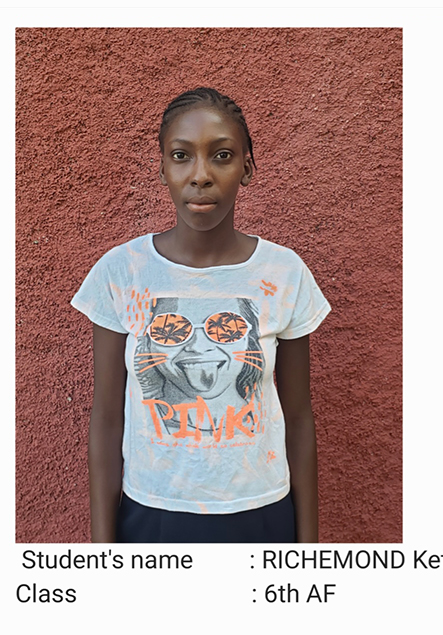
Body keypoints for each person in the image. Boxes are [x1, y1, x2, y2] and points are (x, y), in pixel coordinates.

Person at [71, 87, 331, 544]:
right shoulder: (123, 271)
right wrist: (101, 553)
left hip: (261, 512)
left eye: (222, 156)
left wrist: (308, 548)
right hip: (152, 513)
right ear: (163, 168)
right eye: (181, 156)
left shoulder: (282, 272)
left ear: (247, 168)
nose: (201, 176)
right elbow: (107, 417)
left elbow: (300, 416)